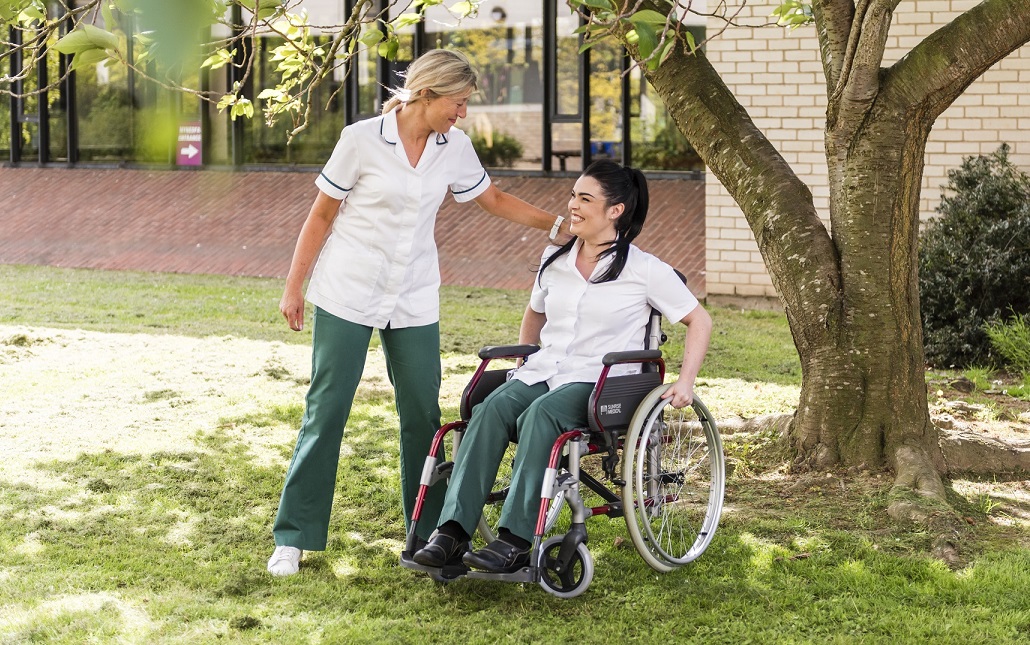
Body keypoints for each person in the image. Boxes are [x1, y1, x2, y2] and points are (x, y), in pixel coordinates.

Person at [267, 49, 569, 576]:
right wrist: (295, 287)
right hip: (348, 292)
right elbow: (321, 214)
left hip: (413, 297)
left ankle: (430, 536)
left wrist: (556, 226)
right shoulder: (361, 139)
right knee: (327, 411)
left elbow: (492, 198)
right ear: (426, 94)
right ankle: (294, 537)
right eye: (458, 102)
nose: (463, 114)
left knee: (422, 417)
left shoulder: (454, 148)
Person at [412, 159, 713, 573]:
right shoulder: (556, 259)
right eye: (573, 195)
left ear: (615, 211)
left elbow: (700, 319)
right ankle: (452, 532)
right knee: (491, 408)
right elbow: (535, 314)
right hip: (546, 369)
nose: (572, 205)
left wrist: (686, 381)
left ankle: (515, 540)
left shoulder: (644, 269)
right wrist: (523, 357)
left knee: (542, 414)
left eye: (585, 198)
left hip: (600, 382)